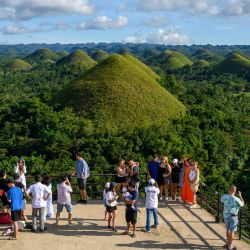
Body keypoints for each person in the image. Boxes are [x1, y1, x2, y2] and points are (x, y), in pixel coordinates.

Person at [221, 185, 244, 250]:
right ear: (235, 191)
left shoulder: (224, 196)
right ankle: (230, 246)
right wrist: (240, 195)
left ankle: (228, 243)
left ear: (229, 190)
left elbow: (222, 200)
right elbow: (242, 204)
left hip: (226, 216)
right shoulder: (237, 199)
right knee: (232, 231)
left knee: (228, 230)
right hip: (233, 217)